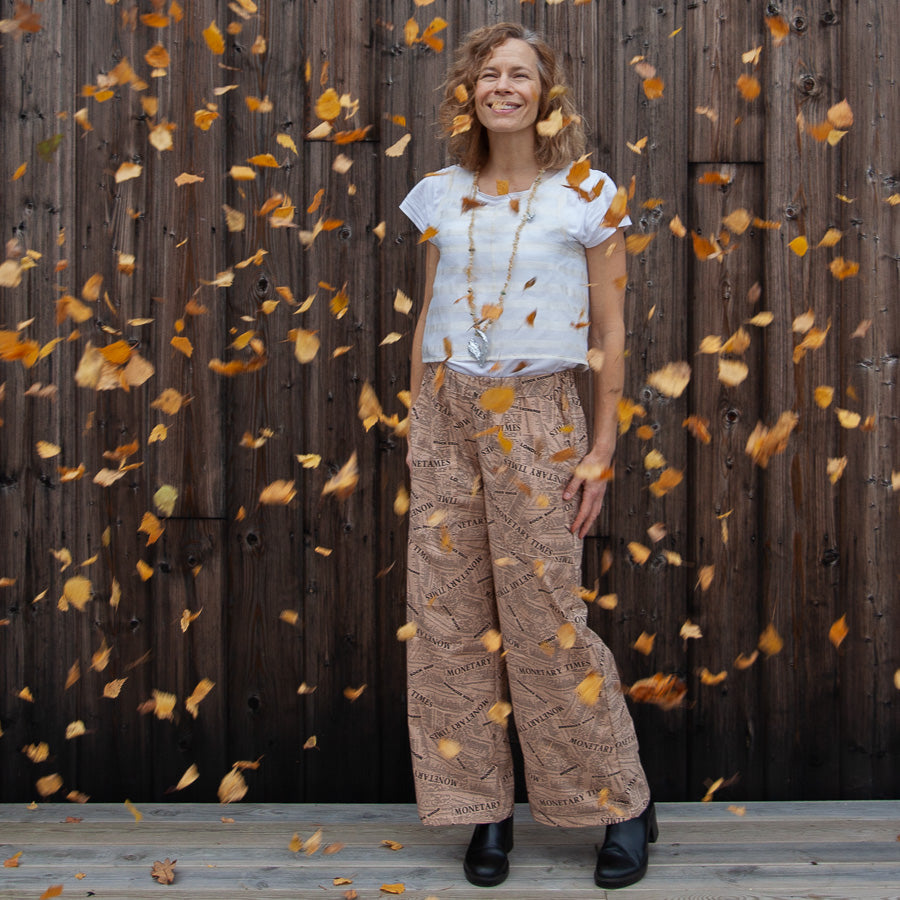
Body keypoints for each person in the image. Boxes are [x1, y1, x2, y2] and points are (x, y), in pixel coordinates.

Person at [399, 22, 656, 890]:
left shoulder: (586, 192)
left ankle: (620, 802)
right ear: (469, 91)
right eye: (488, 74)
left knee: (546, 616)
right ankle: (483, 812)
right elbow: (428, 312)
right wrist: (415, 420)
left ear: (547, 95)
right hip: (445, 414)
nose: (503, 86)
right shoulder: (437, 194)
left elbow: (615, 329)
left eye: (521, 75)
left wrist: (605, 442)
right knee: (446, 618)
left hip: (540, 413)